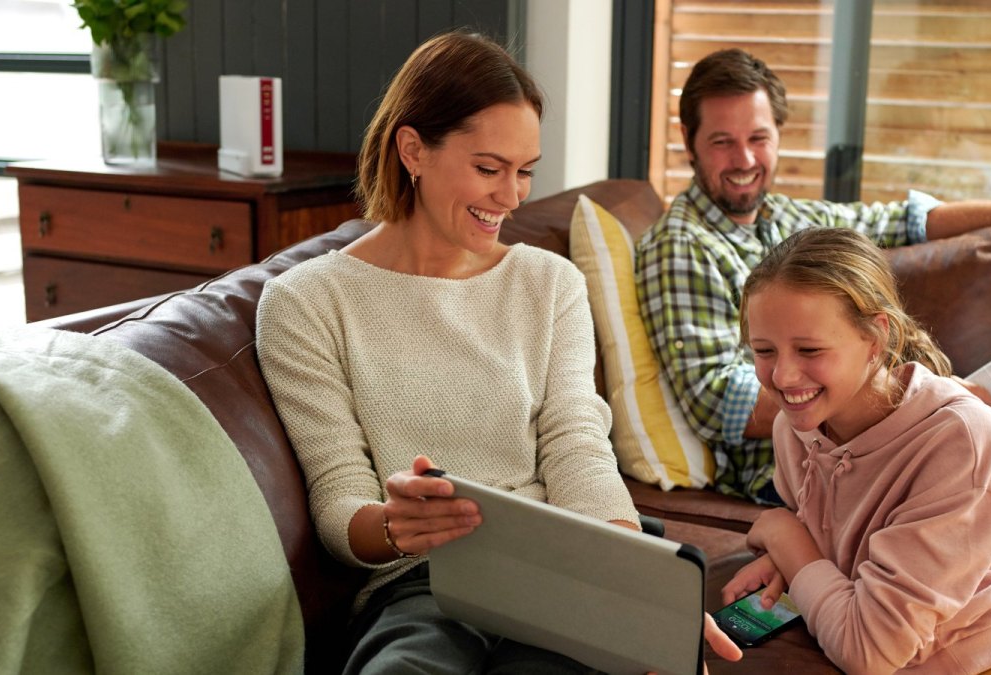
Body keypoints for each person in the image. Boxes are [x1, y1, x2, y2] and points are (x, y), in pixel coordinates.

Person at [256, 32, 740, 674]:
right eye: (489, 168)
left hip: (561, 567)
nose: (512, 197)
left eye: (525, 171)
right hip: (420, 588)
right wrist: (395, 524)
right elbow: (338, 502)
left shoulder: (549, 284)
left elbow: (576, 446)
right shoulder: (306, 303)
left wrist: (637, 589)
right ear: (412, 150)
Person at [635, 47, 991, 574]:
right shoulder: (682, 246)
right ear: (689, 141)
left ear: (780, 134)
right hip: (832, 456)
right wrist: (897, 397)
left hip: (908, 409)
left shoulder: (785, 217)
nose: (745, 160)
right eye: (722, 142)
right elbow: (720, 404)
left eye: (758, 137)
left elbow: (907, 220)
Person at [723, 226, 991, 673]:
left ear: (875, 338)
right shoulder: (793, 427)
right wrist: (789, 565)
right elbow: (839, 558)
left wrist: (783, 534)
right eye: (763, 350)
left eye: (810, 349)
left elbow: (868, 651)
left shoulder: (960, 438)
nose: (782, 377)